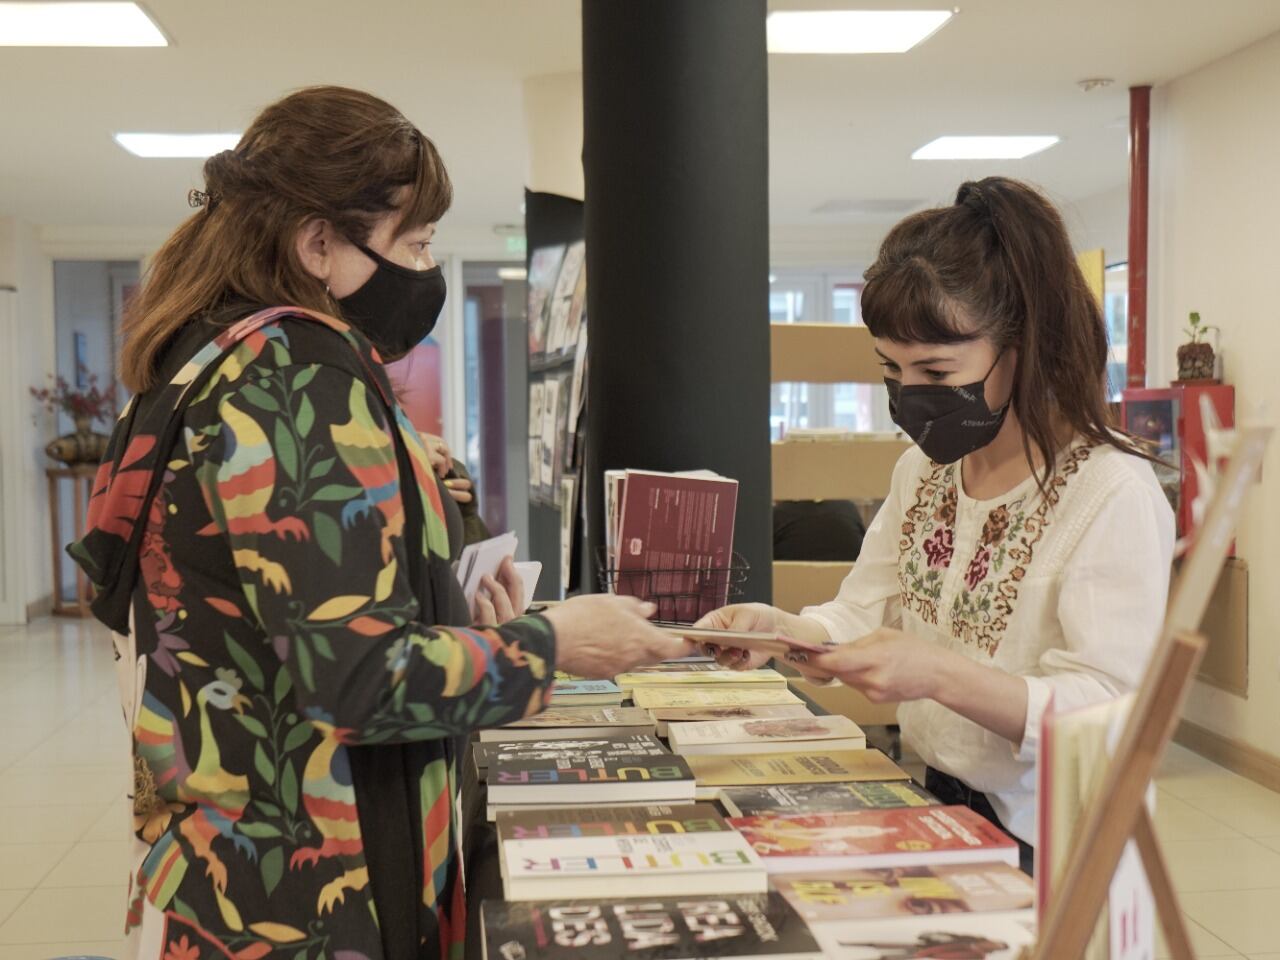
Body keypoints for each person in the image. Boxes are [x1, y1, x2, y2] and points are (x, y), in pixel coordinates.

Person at [71, 86, 687, 960]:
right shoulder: (294, 376)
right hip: (314, 888)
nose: (427, 267)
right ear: (318, 242)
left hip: (220, 860)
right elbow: (357, 682)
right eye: (417, 241)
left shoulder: (204, 356)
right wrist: (555, 645)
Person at [699, 177, 1174, 875]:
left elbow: (1107, 712)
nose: (911, 394)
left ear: (1024, 346)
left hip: (1063, 843)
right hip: (943, 809)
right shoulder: (923, 473)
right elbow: (863, 610)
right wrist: (782, 633)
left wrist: (937, 675)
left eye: (936, 368)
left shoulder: (1110, 492)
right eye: (892, 369)